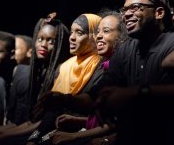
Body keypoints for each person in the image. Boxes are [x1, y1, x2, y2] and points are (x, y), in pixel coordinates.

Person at [36, 0, 174, 145]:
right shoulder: (125, 52)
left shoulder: (170, 44)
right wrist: (64, 99)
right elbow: (95, 97)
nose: (126, 15)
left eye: (135, 8)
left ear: (158, 12)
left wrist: (136, 93)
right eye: (125, 10)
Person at [0, 13, 70, 145]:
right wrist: (1, 134)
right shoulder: (40, 75)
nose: (43, 45)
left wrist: (3, 136)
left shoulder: (61, 72)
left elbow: (45, 123)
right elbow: (30, 121)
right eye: (40, 39)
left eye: (51, 41)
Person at [49, 10, 128, 145]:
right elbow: (105, 118)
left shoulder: (116, 67)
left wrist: (75, 136)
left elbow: (120, 122)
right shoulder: (106, 65)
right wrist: (80, 120)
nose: (98, 36)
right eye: (98, 32)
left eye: (106, 31)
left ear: (123, 36)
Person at [26, 13, 103, 145]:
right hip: (51, 130)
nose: (71, 38)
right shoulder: (65, 67)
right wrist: (33, 138)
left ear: (94, 36)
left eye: (79, 33)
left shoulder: (102, 66)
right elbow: (53, 110)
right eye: (72, 32)